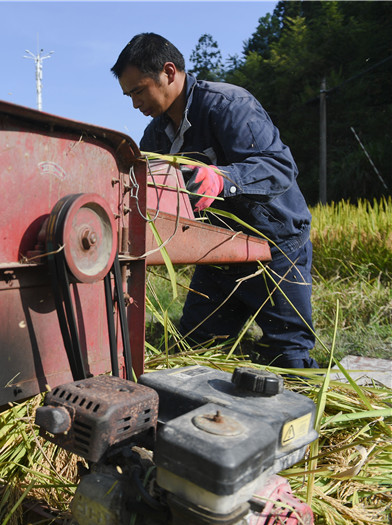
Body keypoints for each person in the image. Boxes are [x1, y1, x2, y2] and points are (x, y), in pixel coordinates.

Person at [111, 33, 318, 369]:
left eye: (138, 90)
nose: (136, 104)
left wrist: (223, 178)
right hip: (219, 250)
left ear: (169, 72)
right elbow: (145, 187)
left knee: (288, 354)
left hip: (273, 245)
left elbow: (279, 167)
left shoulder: (229, 105)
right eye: (128, 95)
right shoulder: (155, 136)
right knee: (196, 349)